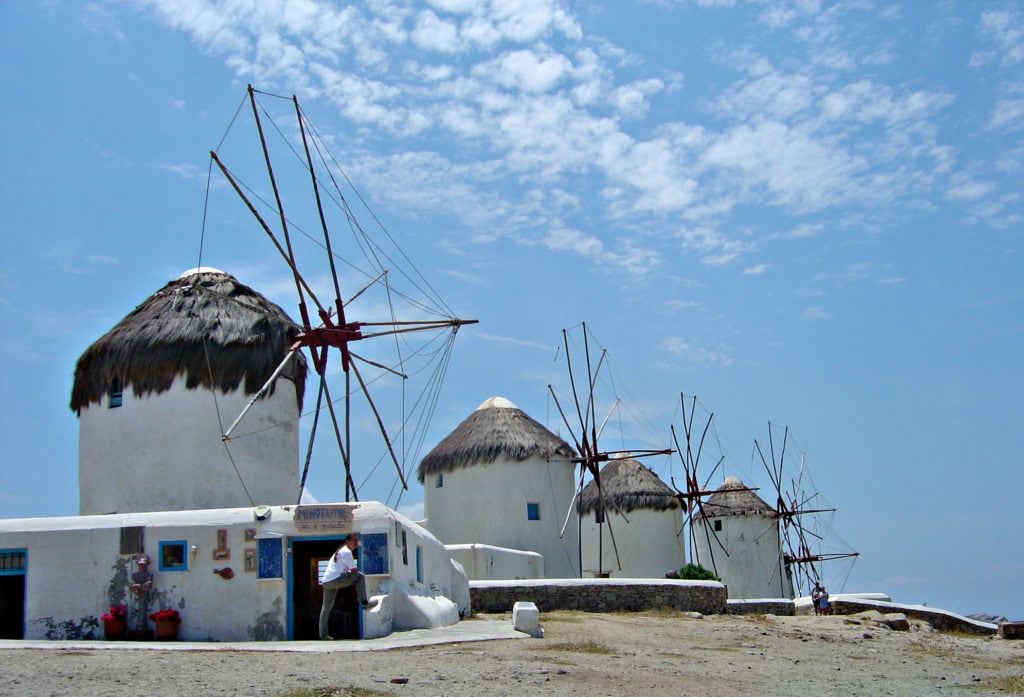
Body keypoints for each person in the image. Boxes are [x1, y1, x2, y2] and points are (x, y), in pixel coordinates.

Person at [318, 533, 378, 640]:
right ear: (348, 541)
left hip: (326, 582)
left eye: (356, 541)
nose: (356, 543)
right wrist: (350, 571)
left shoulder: (340, 552)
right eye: (354, 541)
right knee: (360, 576)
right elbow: (353, 570)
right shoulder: (347, 552)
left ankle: (323, 635)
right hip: (335, 580)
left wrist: (348, 571)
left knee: (326, 608)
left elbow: (344, 569)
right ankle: (364, 603)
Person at [129, 554, 154, 632]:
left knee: (143, 608)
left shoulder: (149, 574)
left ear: (147, 565)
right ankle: (139, 627)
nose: (142, 566)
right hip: (135, 595)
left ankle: (141, 627)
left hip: (145, 594)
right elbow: (131, 586)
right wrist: (141, 586)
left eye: (144, 565)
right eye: (140, 564)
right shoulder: (134, 575)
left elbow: (148, 585)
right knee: (137, 608)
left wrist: (138, 585)